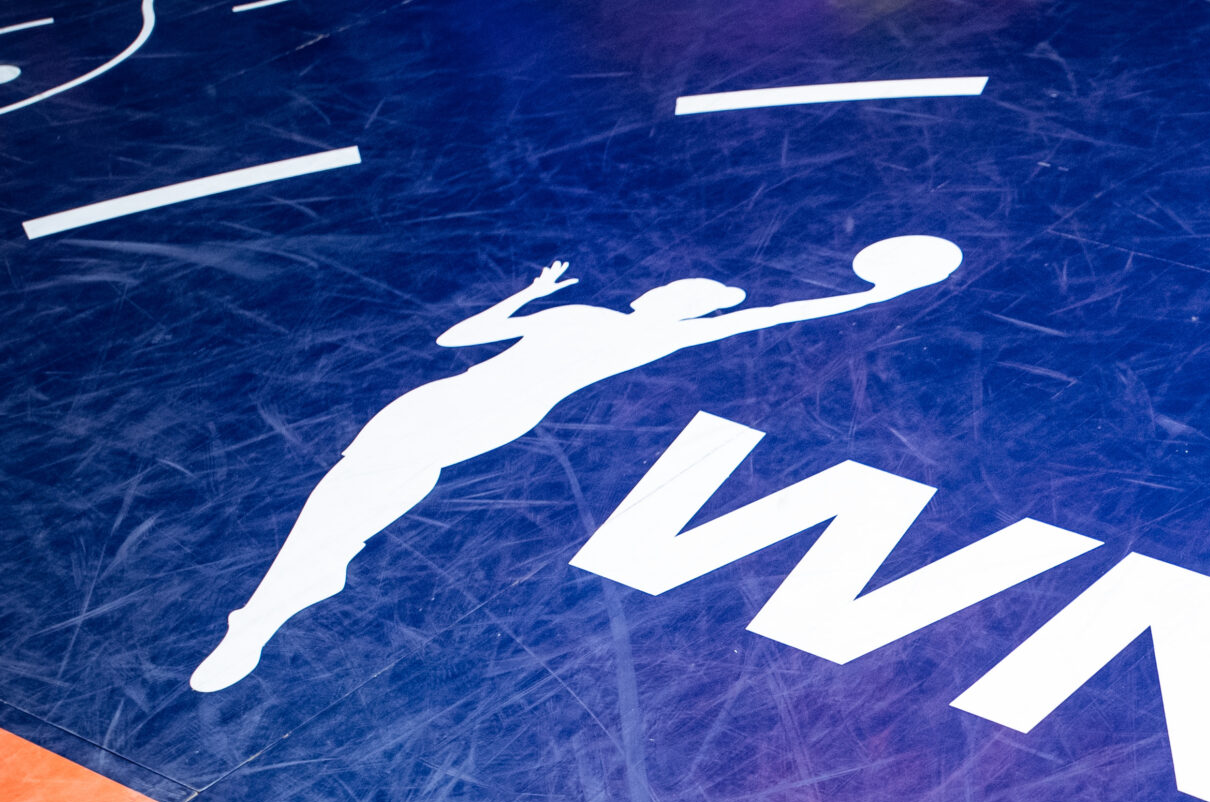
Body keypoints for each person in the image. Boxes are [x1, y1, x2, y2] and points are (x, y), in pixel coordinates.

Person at [190, 235, 962, 691]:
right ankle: (253, 622)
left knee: (350, 526)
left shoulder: (655, 338)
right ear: (658, 292)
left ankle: (268, 610)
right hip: (429, 409)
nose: (677, 299)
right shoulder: (580, 312)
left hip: (477, 428)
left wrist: (865, 297)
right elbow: (456, 344)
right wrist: (522, 299)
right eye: (677, 290)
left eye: (695, 302)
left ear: (697, 316)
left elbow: (784, 311)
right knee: (335, 520)